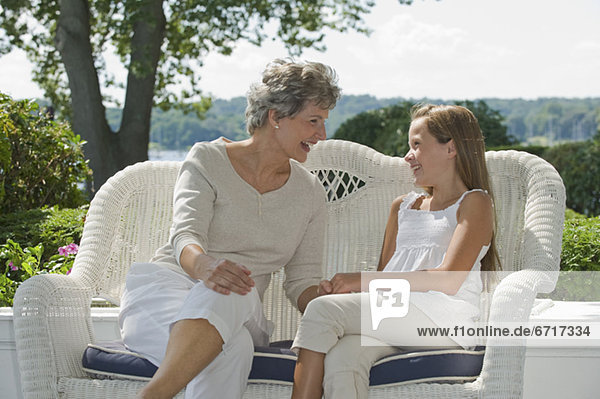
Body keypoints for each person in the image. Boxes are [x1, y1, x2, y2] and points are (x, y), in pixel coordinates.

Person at [118, 58, 341, 399]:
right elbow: (185, 235)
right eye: (313, 121)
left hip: (243, 305)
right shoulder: (208, 159)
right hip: (165, 291)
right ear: (276, 117)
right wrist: (206, 266)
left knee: (234, 289)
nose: (321, 135)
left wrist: (330, 299)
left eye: (323, 123)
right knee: (232, 350)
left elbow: (301, 282)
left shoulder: (309, 192)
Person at [290, 104, 501, 399]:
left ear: (450, 148)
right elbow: (386, 278)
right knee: (343, 359)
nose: (408, 156)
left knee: (322, 311)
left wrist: (359, 281)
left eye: (417, 145)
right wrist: (348, 295)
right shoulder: (403, 206)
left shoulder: (474, 202)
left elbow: (449, 280)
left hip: (441, 321)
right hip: (396, 317)